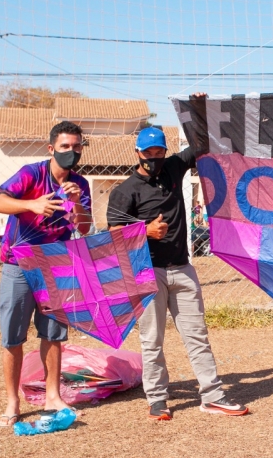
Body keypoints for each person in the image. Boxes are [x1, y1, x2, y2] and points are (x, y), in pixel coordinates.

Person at [106, 109, 248, 421]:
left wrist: (199, 111)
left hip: (182, 269)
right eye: (148, 153)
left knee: (197, 336)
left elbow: (200, 146)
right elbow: (113, 233)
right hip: (147, 272)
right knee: (152, 341)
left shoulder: (172, 169)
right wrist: (145, 231)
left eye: (159, 152)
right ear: (138, 153)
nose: (154, 157)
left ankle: (212, 395)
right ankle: (157, 399)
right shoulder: (125, 191)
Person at [0, 121, 92, 427]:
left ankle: (52, 396)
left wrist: (75, 202)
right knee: (13, 336)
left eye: (77, 147)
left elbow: (85, 227)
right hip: (18, 264)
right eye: (65, 147)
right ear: (51, 149)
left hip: (55, 265)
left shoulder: (80, 184)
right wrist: (32, 205)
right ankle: (12, 401)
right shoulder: (31, 174)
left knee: (53, 334)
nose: (71, 152)